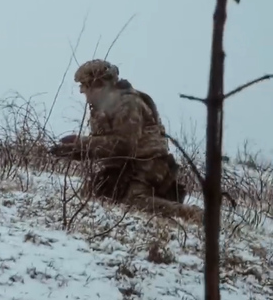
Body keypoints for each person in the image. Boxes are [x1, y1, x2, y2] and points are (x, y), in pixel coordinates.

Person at [49, 59, 202, 221]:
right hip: (125, 167)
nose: (81, 91)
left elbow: (123, 145)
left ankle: (193, 215)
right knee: (91, 194)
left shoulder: (128, 103)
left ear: (98, 85)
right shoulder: (105, 107)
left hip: (149, 165)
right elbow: (106, 146)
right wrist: (74, 151)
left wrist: (81, 144)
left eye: (84, 86)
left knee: (134, 202)